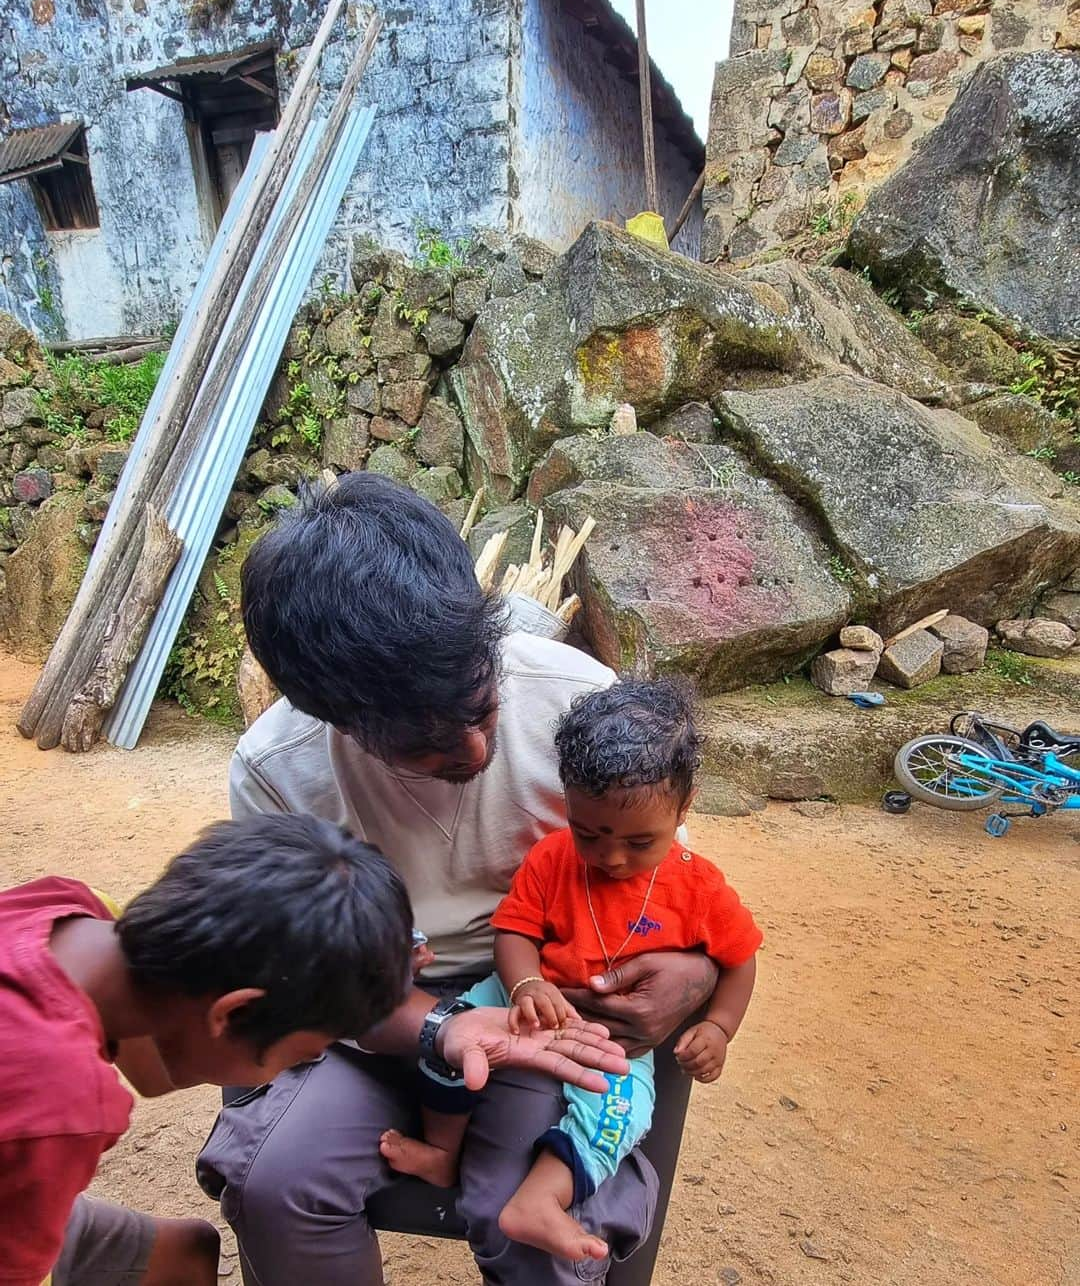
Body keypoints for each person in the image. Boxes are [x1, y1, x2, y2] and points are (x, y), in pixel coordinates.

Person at [197, 473, 724, 1285]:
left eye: (480, 709)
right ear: (332, 716)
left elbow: (667, 887)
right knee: (281, 1184)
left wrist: (692, 970)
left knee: (536, 1210)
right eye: (423, 747)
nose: (475, 753)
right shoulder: (280, 771)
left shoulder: (575, 699)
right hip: (377, 1021)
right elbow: (308, 982)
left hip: (556, 1005)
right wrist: (438, 1027)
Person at [380, 680, 762, 1262]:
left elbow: (740, 959)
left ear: (684, 809)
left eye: (640, 842)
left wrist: (721, 1028)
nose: (611, 857)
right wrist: (527, 983)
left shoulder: (700, 887)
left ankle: (540, 1198)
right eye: (590, 833)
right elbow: (516, 930)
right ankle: (442, 1152)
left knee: (616, 1115)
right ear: (568, 803)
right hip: (527, 1002)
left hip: (615, 1040)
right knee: (446, 1037)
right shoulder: (553, 857)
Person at [0, 814, 410, 1286]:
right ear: (232, 1014)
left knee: (186, 1254)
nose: (290, 1071)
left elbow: (155, 1077)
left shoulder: (68, 906)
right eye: (299, 1056)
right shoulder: (60, 1109)